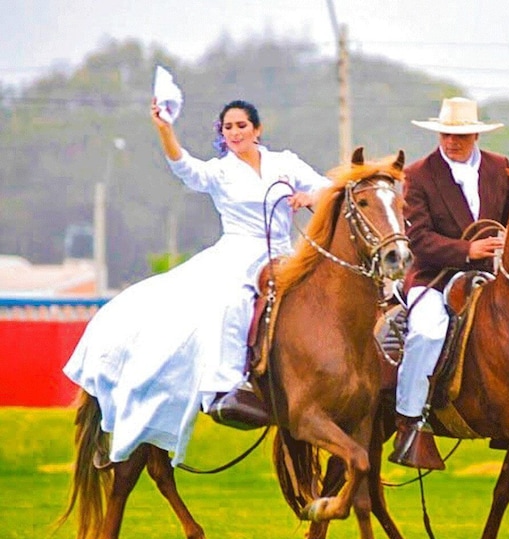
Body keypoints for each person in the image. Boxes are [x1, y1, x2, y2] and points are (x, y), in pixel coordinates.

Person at [63, 98, 331, 467]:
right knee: (233, 302)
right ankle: (227, 387)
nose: (235, 133)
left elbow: (329, 188)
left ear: (258, 129)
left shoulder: (285, 163)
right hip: (239, 253)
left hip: (285, 254)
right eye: (228, 128)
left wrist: (308, 195)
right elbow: (184, 168)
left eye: (241, 126)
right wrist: (164, 130)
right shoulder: (220, 172)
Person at [389, 97, 509, 469]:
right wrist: (469, 249)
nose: (451, 142)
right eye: (446, 135)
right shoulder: (418, 175)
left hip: (490, 278)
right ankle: (410, 421)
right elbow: (419, 241)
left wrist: (508, 240)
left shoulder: (500, 168)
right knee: (428, 333)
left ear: (475, 134)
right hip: (434, 277)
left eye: (459, 136)